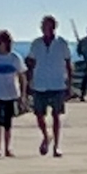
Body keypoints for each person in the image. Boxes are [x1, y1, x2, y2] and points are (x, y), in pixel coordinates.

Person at [25, 15, 75, 157]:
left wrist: (69, 85)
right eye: (43, 26)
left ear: (53, 27)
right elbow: (31, 63)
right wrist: (28, 82)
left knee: (56, 115)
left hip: (58, 83)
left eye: (48, 26)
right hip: (39, 83)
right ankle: (46, 136)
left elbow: (68, 64)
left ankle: (57, 146)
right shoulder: (36, 44)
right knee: (39, 115)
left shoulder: (61, 43)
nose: (45, 29)